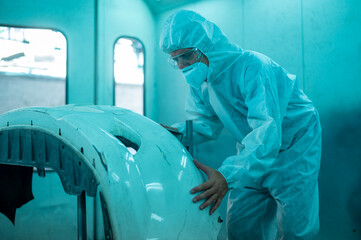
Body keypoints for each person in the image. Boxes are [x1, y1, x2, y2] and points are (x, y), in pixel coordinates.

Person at [159, 10, 322, 240]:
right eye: (176, 60)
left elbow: (267, 132)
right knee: (241, 227)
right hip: (253, 149)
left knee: (295, 228)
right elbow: (204, 123)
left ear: (208, 45)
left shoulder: (253, 66)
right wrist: (173, 134)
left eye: (187, 56)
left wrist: (226, 176)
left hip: (294, 146)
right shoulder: (201, 82)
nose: (182, 66)